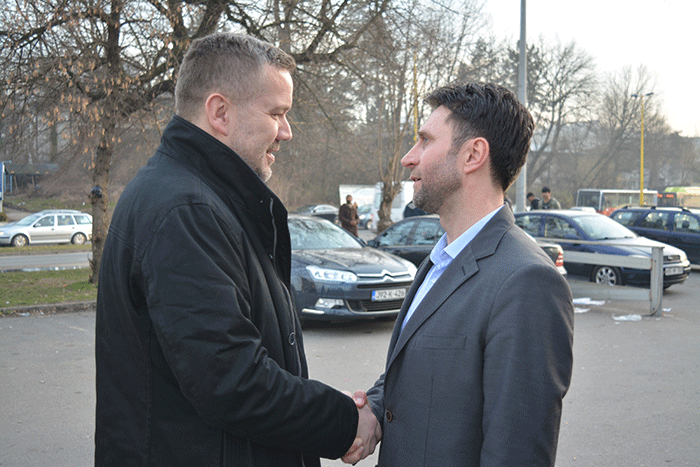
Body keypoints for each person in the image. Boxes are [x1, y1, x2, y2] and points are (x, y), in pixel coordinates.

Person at [94, 33, 379, 467]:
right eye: (276, 113)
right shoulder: (185, 211)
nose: (286, 132)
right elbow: (231, 381)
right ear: (220, 113)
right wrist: (343, 421)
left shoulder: (205, 199)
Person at [358, 82, 574, 466]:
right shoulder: (440, 259)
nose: (408, 158)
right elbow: (426, 374)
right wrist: (373, 410)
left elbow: (515, 455)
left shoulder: (527, 282)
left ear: (473, 154)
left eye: (425, 141)